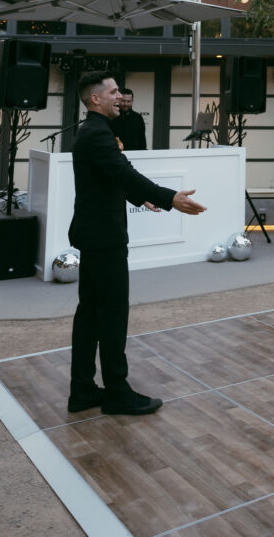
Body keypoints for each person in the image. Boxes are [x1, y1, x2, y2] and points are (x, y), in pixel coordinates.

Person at [68, 70, 206, 417]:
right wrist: (169, 197)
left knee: (90, 314)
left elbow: (114, 178)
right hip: (104, 239)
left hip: (95, 236)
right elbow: (125, 173)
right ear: (95, 99)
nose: (121, 96)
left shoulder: (95, 132)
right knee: (112, 316)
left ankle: (82, 390)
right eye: (113, 92)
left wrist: (138, 197)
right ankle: (117, 391)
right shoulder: (96, 134)